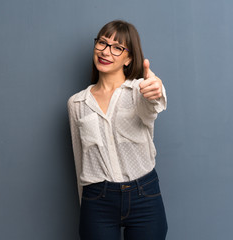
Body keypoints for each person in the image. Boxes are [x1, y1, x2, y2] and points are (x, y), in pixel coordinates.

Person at [67, 20, 168, 240]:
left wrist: (156, 89)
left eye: (117, 47)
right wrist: (85, 206)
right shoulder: (76, 103)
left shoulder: (139, 92)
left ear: (129, 58)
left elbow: (152, 106)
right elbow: (79, 162)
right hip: (97, 200)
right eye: (102, 43)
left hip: (145, 195)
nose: (106, 51)